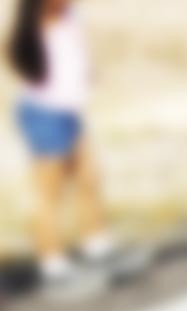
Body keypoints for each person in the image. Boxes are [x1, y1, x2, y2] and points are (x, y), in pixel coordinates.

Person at [9, 0, 113, 293]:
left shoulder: (70, 16)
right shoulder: (32, 27)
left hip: (70, 113)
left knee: (89, 179)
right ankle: (52, 265)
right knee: (50, 193)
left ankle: (98, 248)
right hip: (44, 114)